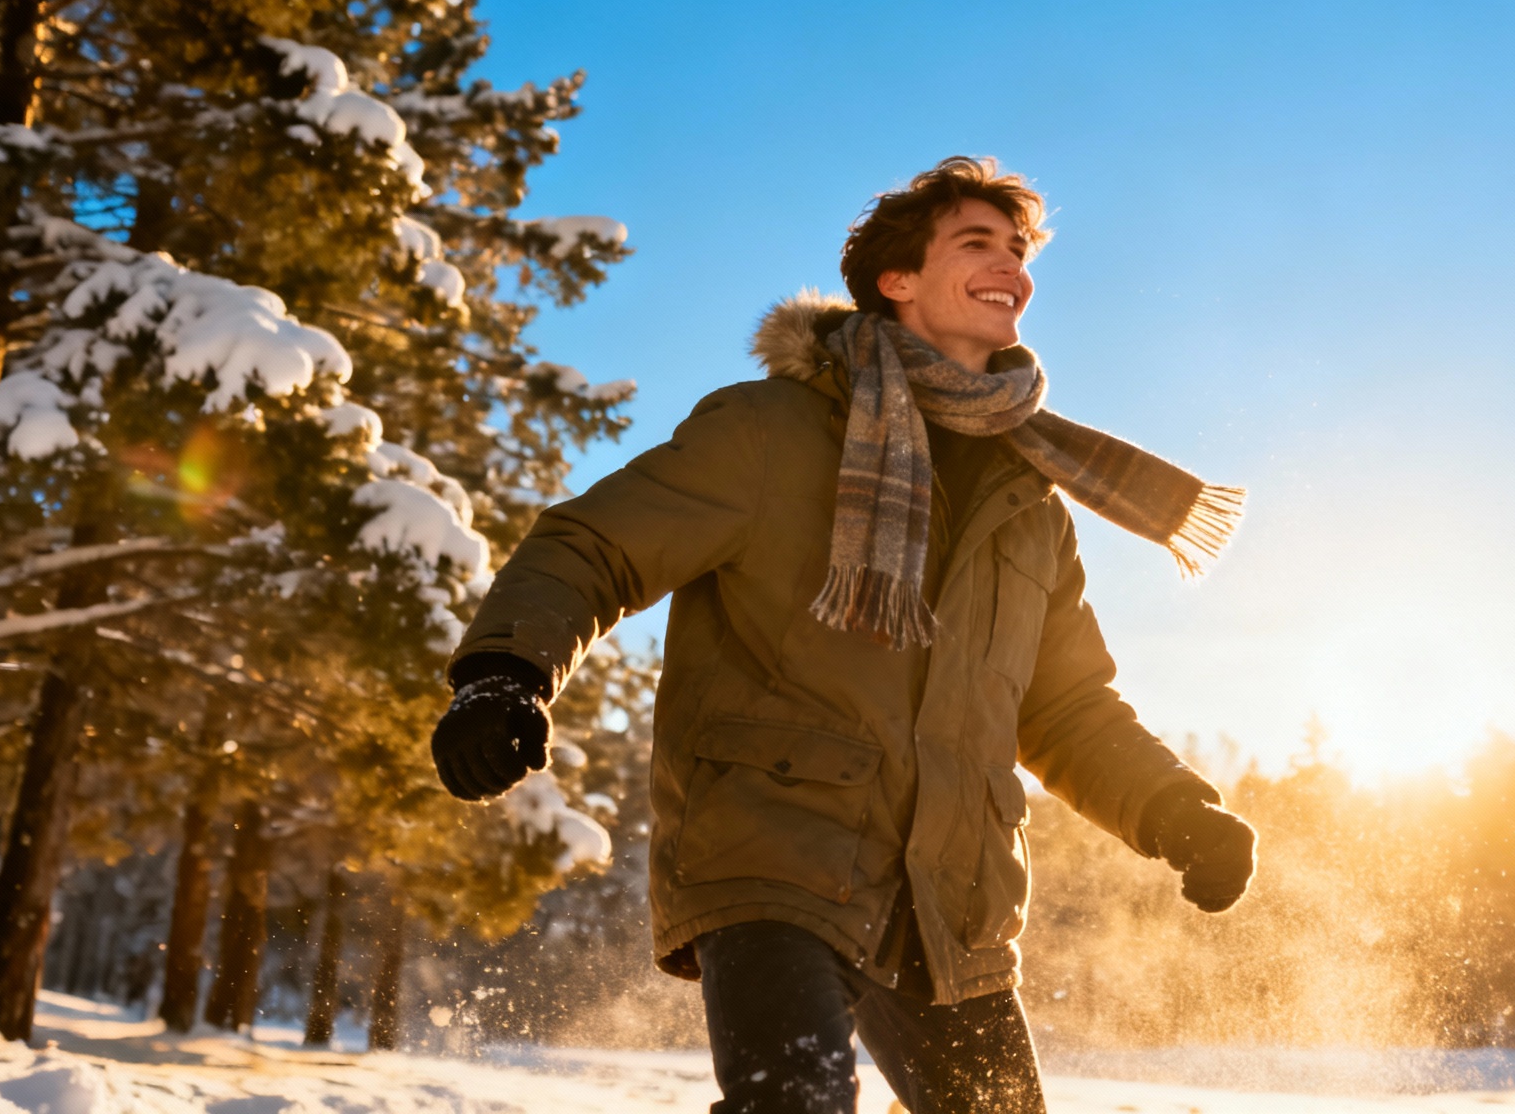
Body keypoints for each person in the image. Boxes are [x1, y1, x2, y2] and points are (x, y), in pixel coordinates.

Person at [431, 156, 1258, 1114]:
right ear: (896, 280)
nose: (1012, 267)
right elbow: (595, 545)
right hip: (778, 850)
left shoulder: (1032, 499)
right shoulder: (770, 430)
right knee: (796, 1103)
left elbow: (1065, 706)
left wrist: (1176, 812)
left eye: (1019, 249)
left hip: (950, 896)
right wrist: (505, 672)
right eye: (977, 242)